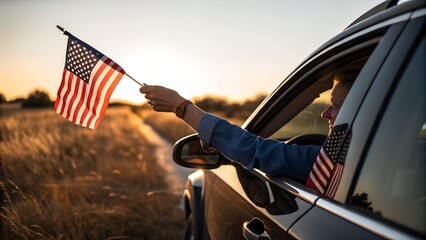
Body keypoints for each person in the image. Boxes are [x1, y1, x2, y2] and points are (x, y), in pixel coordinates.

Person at [139, 70, 357, 186]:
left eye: (336, 107)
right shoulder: (368, 160)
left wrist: (181, 107)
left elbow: (253, 150)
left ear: (359, 114)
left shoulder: (335, 161)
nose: (324, 113)